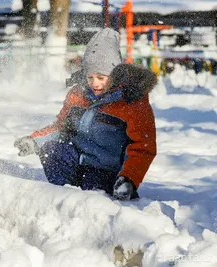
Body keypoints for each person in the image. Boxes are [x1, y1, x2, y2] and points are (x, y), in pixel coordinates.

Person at [14, 28, 157, 200]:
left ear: (114, 75)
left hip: (107, 170)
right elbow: (61, 127)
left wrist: (128, 179)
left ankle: (92, 205)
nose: (94, 83)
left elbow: (143, 147)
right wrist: (35, 141)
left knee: (93, 191)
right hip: (78, 161)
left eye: (101, 77)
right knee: (52, 151)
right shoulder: (78, 94)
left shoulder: (131, 101)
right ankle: (59, 198)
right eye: (90, 77)